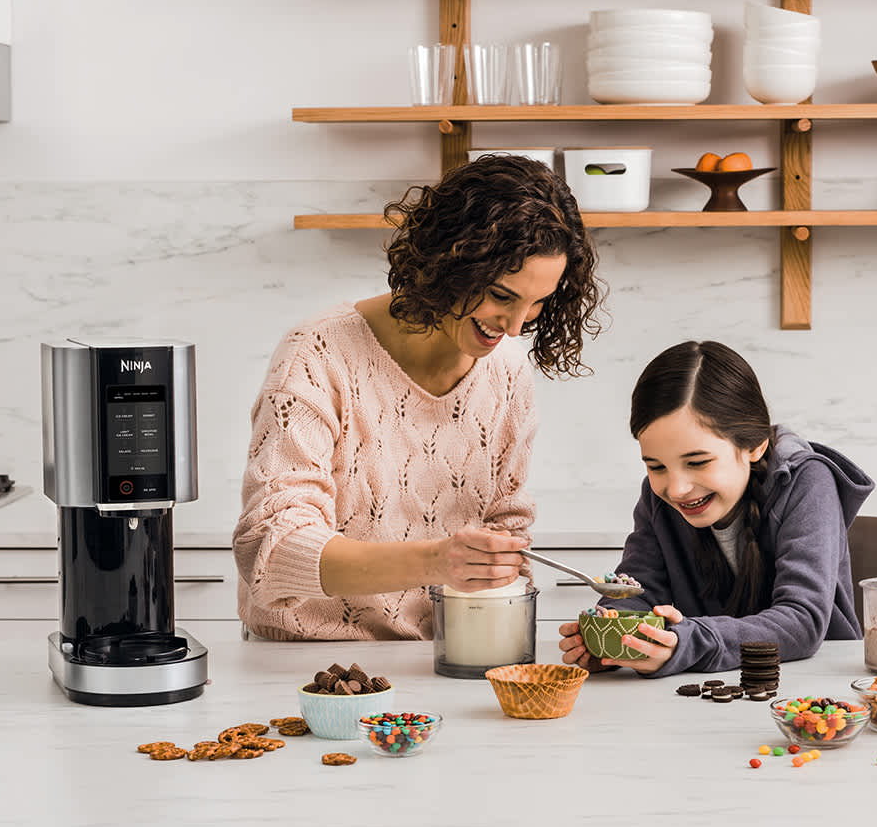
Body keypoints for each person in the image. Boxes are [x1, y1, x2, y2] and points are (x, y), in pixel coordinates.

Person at [234, 155, 605, 640]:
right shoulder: (318, 355)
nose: (515, 326)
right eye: (501, 294)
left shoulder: (508, 373)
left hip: (436, 660)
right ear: (451, 259)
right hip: (302, 668)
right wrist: (436, 561)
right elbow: (270, 547)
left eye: (538, 302)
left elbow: (505, 530)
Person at [558, 340, 873, 676]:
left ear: (754, 445)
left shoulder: (808, 481)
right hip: (691, 702)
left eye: (697, 462)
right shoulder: (658, 499)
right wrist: (612, 639)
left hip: (813, 691)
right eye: (656, 467)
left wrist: (689, 644)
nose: (676, 488)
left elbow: (802, 621)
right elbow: (636, 590)